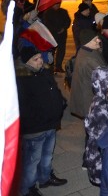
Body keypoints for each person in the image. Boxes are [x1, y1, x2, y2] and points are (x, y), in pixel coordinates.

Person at [16, 46, 67, 196]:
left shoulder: (44, 72)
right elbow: (22, 107)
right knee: (32, 161)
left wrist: (60, 102)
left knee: (47, 155)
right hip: (35, 128)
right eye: (35, 59)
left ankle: (45, 178)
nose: (40, 62)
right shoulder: (22, 79)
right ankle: (27, 188)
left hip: (50, 123)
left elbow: (54, 90)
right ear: (26, 62)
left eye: (40, 58)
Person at [83, 66, 108, 186]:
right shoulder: (100, 108)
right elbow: (103, 139)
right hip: (101, 157)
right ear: (104, 85)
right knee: (107, 184)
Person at [69, 31, 106, 119]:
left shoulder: (85, 50)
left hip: (88, 94)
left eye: (98, 38)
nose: (98, 41)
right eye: (95, 40)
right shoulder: (88, 60)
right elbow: (103, 78)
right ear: (87, 42)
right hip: (89, 99)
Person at [42, 2, 71, 73]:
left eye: (59, 4)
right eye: (56, 4)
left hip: (62, 35)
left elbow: (68, 21)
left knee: (61, 51)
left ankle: (58, 66)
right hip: (52, 35)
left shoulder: (63, 11)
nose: (58, 5)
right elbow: (47, 24)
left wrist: (63, 28)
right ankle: (51, 67)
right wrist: (56, 30)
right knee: (51, 52)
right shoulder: (47, 13)